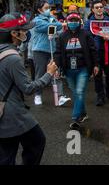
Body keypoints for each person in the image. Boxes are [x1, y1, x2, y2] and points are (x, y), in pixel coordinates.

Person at [0, 13, 59, 165]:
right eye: (24, 30)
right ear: (14, 33)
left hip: (4, 112)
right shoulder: (12, 58)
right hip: (12, 114)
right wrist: (48, 74)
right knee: (36, 141)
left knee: (7, 153)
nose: (27, 32)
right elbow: (27, 88)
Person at [55, 13, 99, 130]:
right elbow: (58, 53)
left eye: (75, 20)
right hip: (68, 69)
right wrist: (57, 67)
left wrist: (95, 64)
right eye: (71, 20)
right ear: (67, 22)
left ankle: (75, 118)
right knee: (76, 93)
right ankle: (83, 113)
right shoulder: (62, 36)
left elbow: (93, 50)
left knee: (79, 92)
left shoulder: (86, 34)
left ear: (79, 21)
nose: (73, 22)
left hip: (83, 68)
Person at [31, 0, 70, 106]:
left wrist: (56, 23)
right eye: (46, 8)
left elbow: (59, 26)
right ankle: (38, 95)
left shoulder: (51, 18)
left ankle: (60, 96)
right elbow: (50, 27)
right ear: (39, 10)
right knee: (40, 73)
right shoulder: (37, 20)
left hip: (52, 50)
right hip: (40, 50)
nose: (49, 10)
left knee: (55, 72)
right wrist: (56, 23)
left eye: (49, 8)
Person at [84, 0, 109, 106]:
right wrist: (98, 36)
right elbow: (87, 38)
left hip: (108, 52)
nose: (99, 9)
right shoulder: (89, 23)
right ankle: (100, 96)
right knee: (97, 75)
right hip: (96, 53)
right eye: (96, 7)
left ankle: (108, 89)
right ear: (92, 10)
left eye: (101, 7)